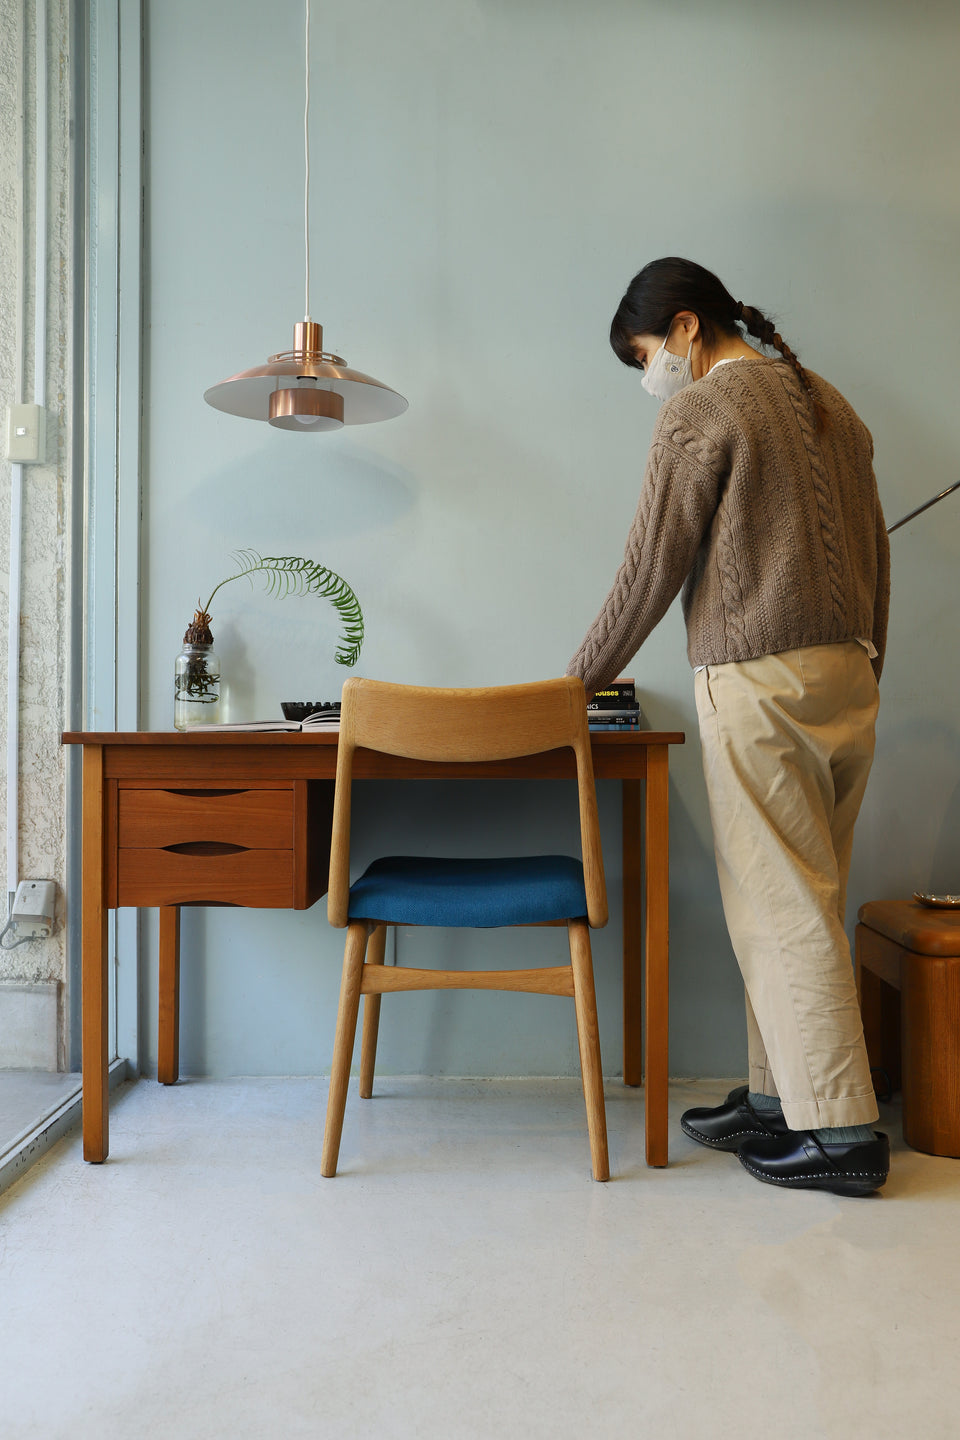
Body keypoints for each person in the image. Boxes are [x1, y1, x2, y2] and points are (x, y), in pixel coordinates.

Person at [566, 257, 891, 1196]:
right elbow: (876, 554)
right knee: (803, 896)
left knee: (778, 902)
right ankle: (781, 1095)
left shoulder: (703, 410)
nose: (648, 376)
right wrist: (870, 666)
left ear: (684, 327)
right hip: (848, 674)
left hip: (757, 679)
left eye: (644, 353)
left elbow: (647, 573)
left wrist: (573, 686)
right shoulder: (830, 401)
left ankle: (840, 1134)